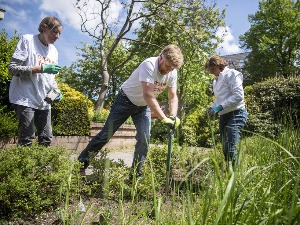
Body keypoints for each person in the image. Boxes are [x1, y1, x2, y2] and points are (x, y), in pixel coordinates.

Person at [78, 44, 184, 178]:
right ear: (161, 56)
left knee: (144, 139)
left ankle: (135, 176)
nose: (169, 70)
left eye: (172, 68)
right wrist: (164, 118)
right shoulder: (149, 65)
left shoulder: (172, 72)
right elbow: (148, 95)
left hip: (143, 107)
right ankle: (80, 165)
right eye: (167, 66)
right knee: (106, 134)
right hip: (125, 100)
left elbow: (173, 96)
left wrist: (173, 116)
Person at [8, 16, 63, 147]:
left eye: (60, 33)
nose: (58, 36)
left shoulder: (54, 51)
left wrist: (55, 90)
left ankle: (42, 168)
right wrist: (40, 68)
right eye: (55, 31)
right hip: (25, 97)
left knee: (46, 139)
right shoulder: (28, 41)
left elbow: (51, 78)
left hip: (44, 100)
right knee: (27, 138)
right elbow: (12, 69)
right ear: (44, 27)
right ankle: (25, 167)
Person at [205, 55, 248, 168]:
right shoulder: (216, 81)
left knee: (231, 147)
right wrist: (212, 107)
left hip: (236, 114)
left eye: (213, 69)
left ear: (219, 65)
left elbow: (238, 96)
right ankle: (230, 173)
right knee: (225, 148)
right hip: (223, 116)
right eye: (210, 71)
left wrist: (219, 108)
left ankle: (237, 177)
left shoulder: (232, 74)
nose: (212, 72)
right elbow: (219, 99)